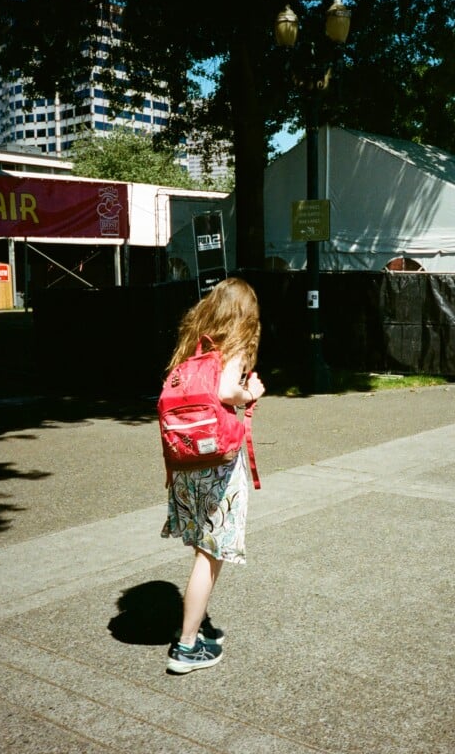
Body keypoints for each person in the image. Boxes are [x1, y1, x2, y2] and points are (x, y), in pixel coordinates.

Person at [160, 277, 265, 674]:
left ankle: (197, 621)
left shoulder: (195, 347)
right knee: (211, 552)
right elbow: (226, 390)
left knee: (203, 549)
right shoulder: (233, 346)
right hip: (218, 463)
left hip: (185, 463)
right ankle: (186, 646)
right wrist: (250, 392)